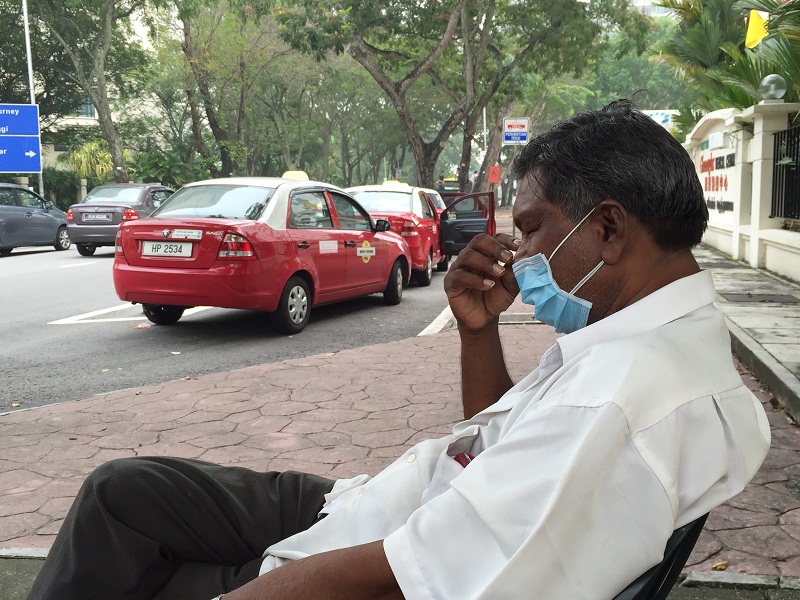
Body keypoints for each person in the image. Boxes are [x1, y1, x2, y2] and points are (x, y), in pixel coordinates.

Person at [29, 101, 770, 600]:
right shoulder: (649, 339)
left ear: (608, 229)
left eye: (534, 229)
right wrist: (478, 331)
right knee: (121, 493)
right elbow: (502, 446)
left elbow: (416, 570)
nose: (517, 254)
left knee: (123, 542)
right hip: (375, 499)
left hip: (375, 544)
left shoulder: (619, 396)